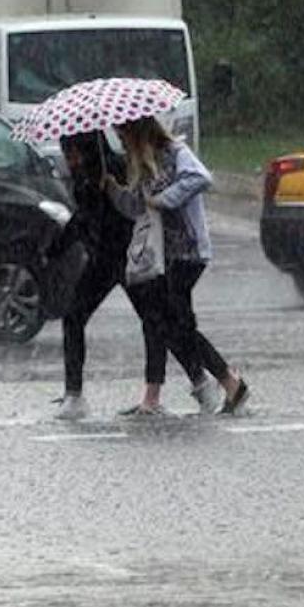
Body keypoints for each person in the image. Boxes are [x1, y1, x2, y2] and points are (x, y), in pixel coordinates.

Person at [48, 130, 222, 420]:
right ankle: (74, 394)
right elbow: (82, 218)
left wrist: (110, 190)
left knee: (160, 324)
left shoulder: (116, 167)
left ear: (90, 148)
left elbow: (132, 211)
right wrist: (56, 249)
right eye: (66, 153)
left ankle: (200, 382)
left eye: (74, 152)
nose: (70, 159)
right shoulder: (83, 177)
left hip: (133, 258)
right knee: (74, 315)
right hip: (102, 262)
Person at [104, 116, 249, 416]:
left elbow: (200, 178)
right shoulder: (143, 163)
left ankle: (227, 383)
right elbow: (137, 207)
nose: (119, 139)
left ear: (137, 130)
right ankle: (219, 384)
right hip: (163, 255)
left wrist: (165, 199)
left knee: (175, 324)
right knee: (168, 324)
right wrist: (114, 191)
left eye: (122, 133)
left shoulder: (174, 152)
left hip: (189, 252)